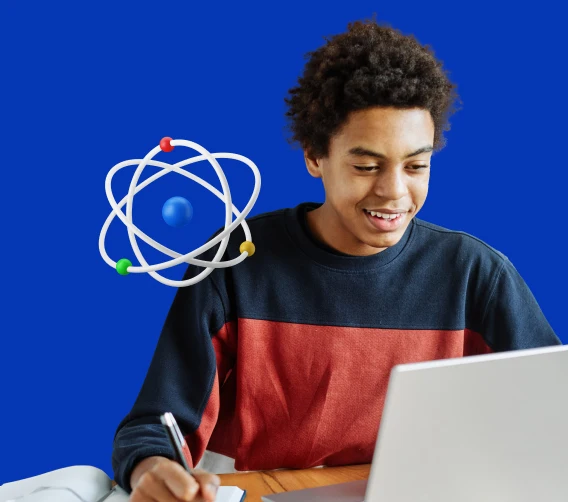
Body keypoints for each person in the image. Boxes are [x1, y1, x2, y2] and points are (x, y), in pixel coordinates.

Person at [112, 16, 562, 502]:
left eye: (416, 166)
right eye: (366, 166)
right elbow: (153, 428)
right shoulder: (233, 265)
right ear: (313, 156)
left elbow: (552, 414)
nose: (393, 192)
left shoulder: (475, 275)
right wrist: (151, 468)